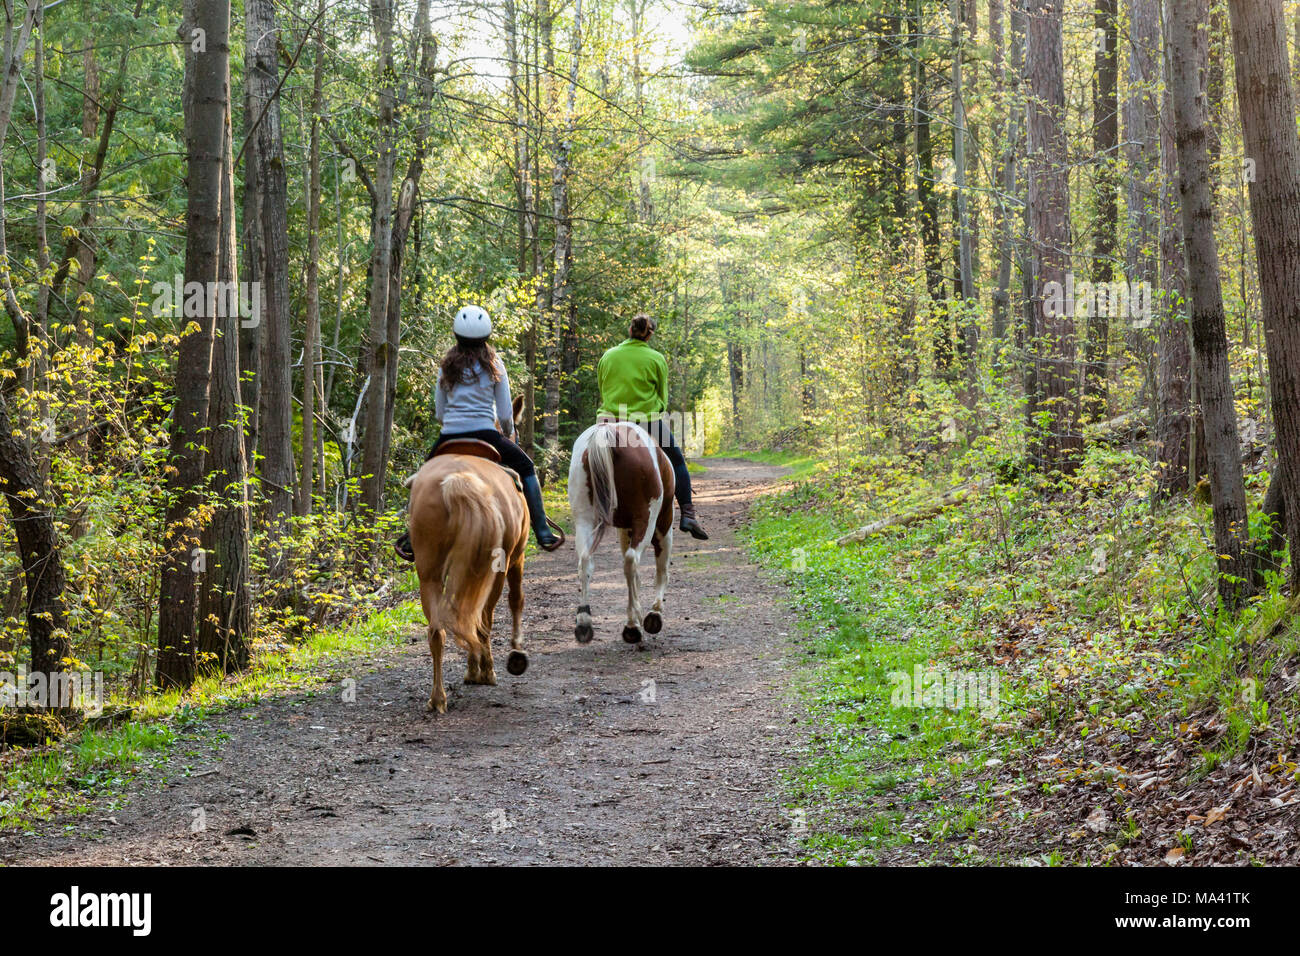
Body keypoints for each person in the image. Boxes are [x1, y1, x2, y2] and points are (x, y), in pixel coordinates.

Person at [395, 305, 562, 560]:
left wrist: (452, 424)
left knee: (422, 479)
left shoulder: (446, 366)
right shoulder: (495, 364)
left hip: (450, 437)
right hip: (487, 435)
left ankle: (412, 537)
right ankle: (542, 531)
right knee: (527, 467)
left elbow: (439, 413)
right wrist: (506, 435)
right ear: (487, 336)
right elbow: (506, 414)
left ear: (456, 335)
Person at [596, 313, 708, 540]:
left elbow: (603, 389)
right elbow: (663, 399)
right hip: (645, 420)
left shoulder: (608, 356)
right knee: (677, 460)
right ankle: (688, 512)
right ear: (650, 334)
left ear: (629, 330)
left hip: (608, 422)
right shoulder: (656, 358)